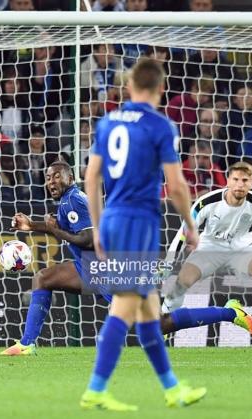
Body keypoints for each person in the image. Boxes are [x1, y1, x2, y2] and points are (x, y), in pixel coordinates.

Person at [0, 161, 252, 359]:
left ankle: (230, 312)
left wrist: (52, 229)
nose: (51, 181)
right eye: (48, 177)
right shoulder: (70, 201)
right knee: (43, 279)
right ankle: (26, 344)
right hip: (89, 268)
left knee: (159, 325)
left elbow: (88, 239)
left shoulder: (75, 201)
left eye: (57, 176)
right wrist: (32, 225)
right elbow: (72, 232)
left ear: (70, 177)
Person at [81, 58, 206, 411]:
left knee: (150, 310)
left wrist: (99, 224)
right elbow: (177, 185)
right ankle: (96, 388)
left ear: (130, 86)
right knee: (126, 305)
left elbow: (91, 178)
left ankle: (172, 389)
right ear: (160, 89)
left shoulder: (107, 122)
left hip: (114, 219)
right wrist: (190, 225)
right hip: (140, 221)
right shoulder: (159, 125)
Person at [162, 162, 252, 346]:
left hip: (242, 247)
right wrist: (168, 262)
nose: (240, 184)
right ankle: (163, 327)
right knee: (180, 284)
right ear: (228, 181)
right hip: (209, 247)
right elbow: (183, 233)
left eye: (245, 180)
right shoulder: (207, 202)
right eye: (236, 179)